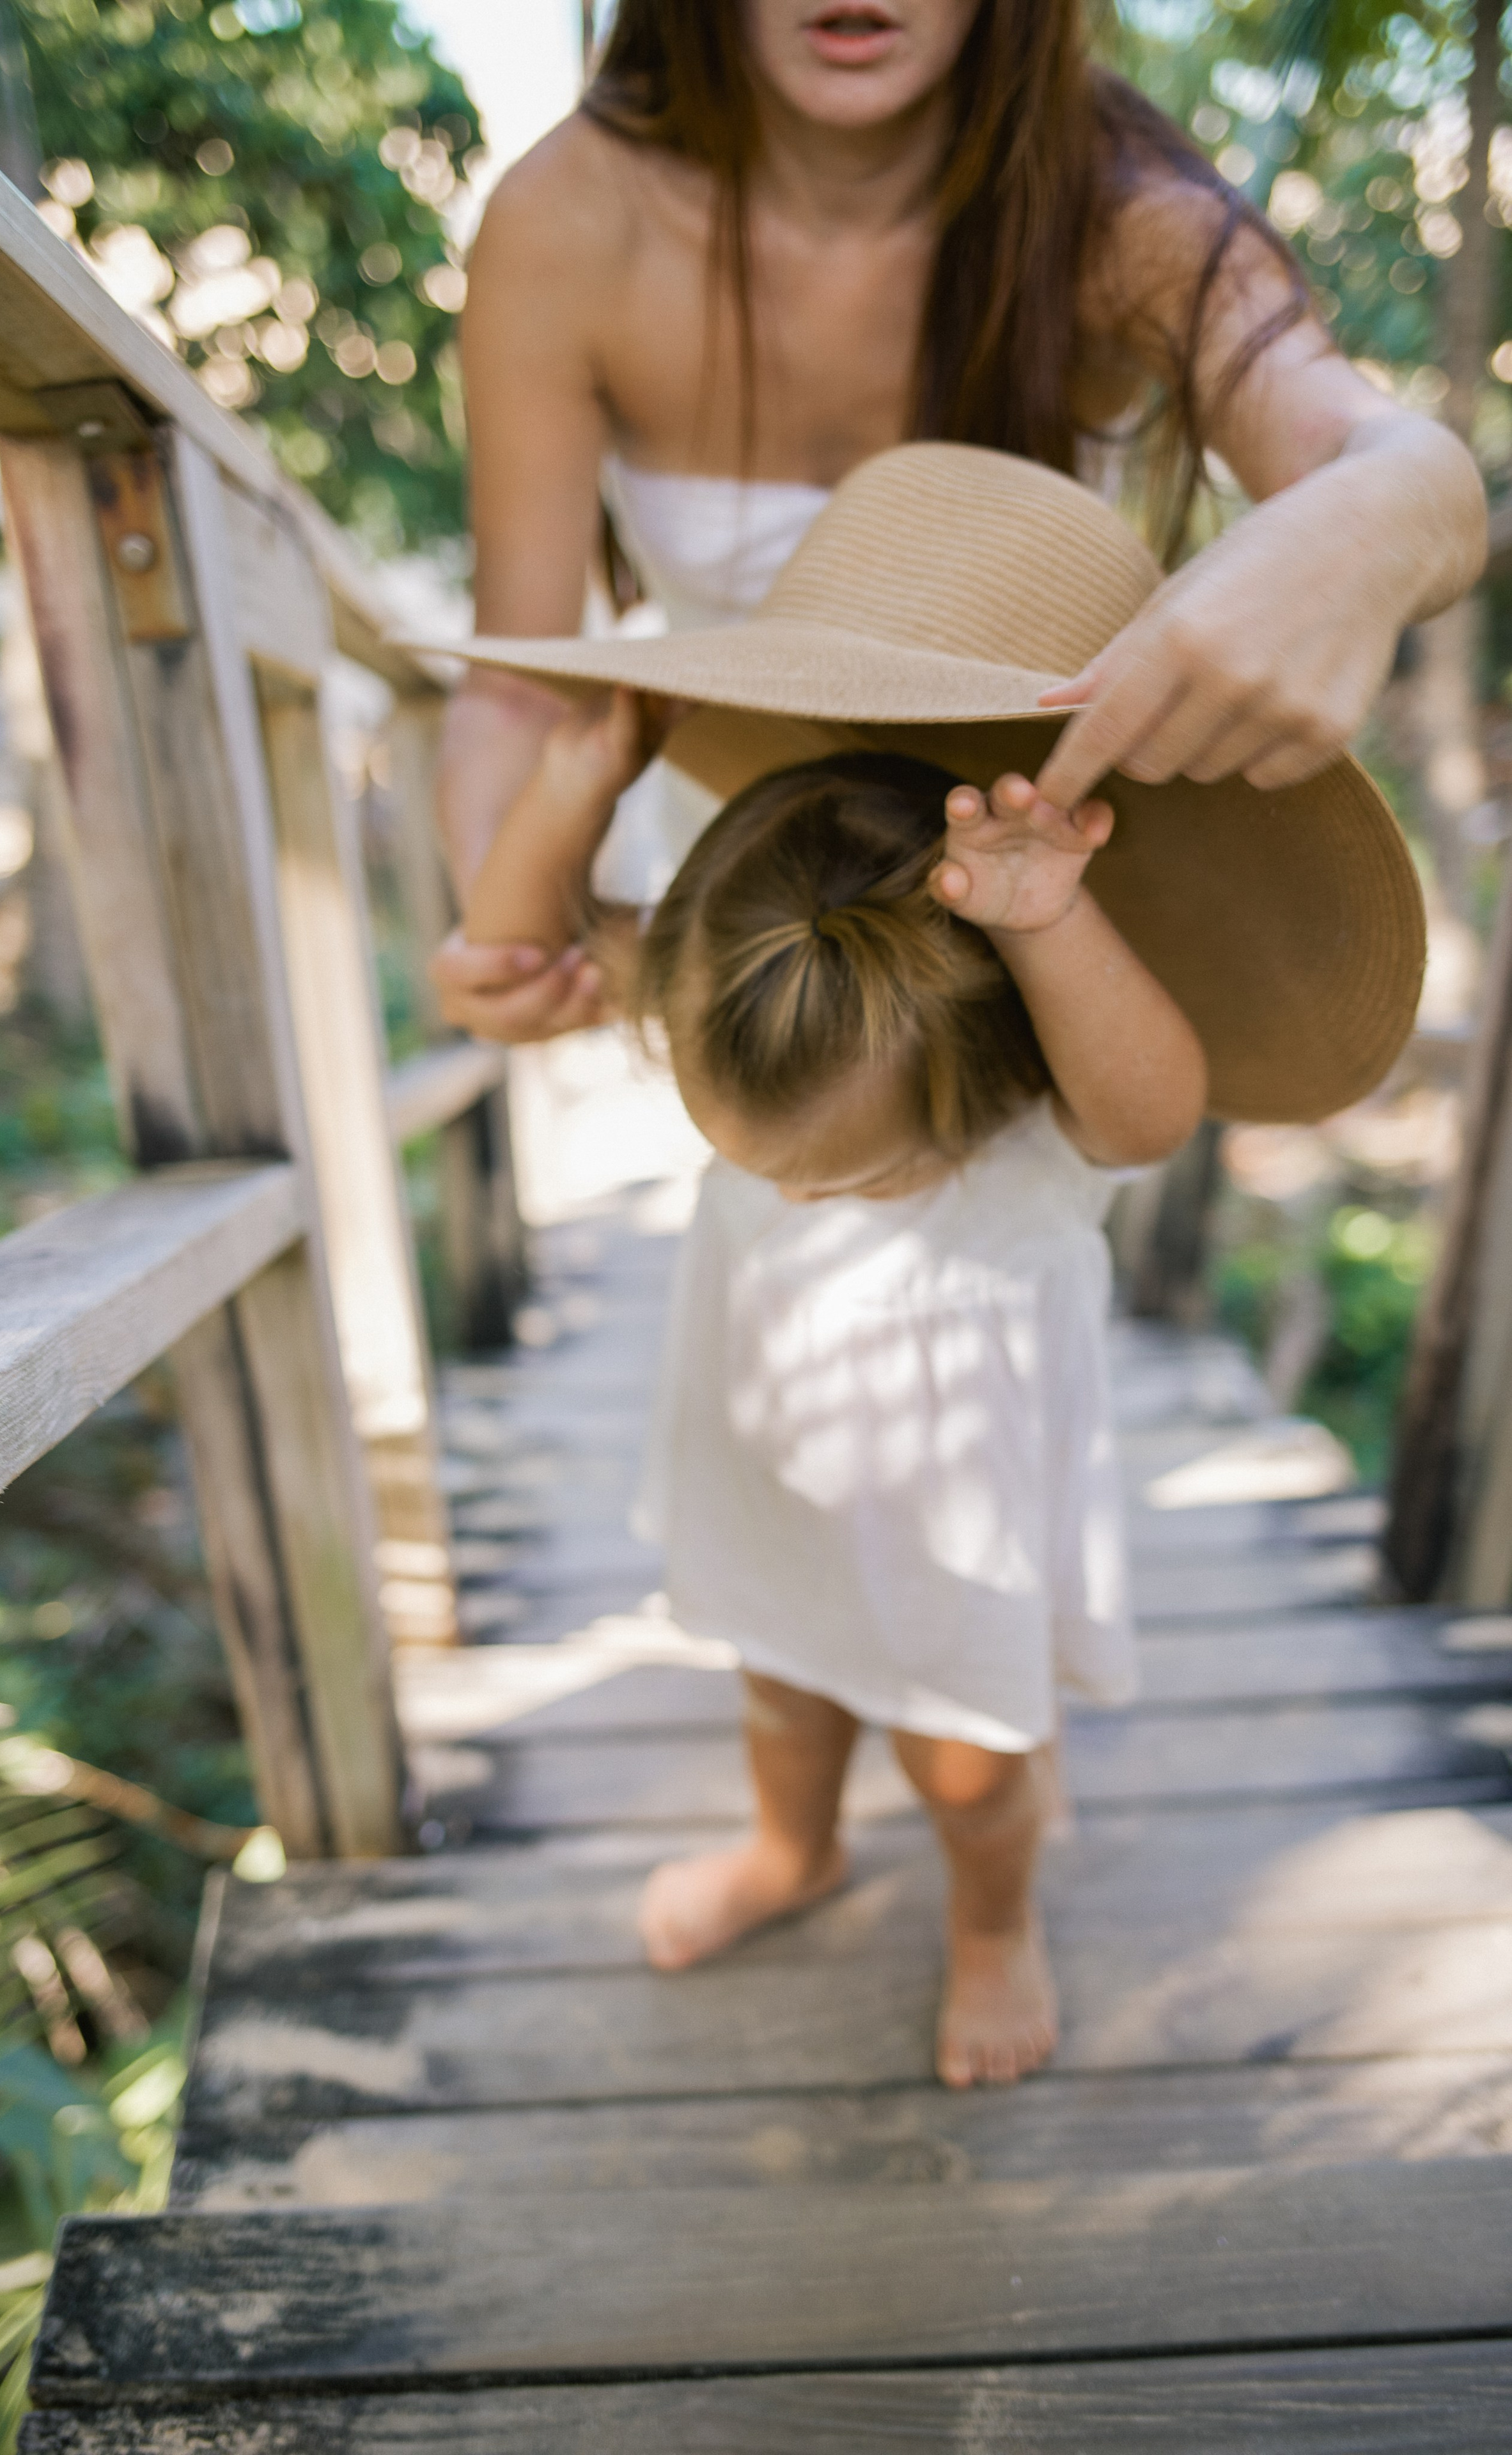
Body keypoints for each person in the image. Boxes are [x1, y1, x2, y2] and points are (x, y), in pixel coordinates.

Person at [448, 432, 1426, 2088]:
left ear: (985, 1089)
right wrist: (572, 788)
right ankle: (795, 1847)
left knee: (972, 1762)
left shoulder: (1029, 1076)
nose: (802, 1198)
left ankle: (992, 1926)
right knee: (781, 1684)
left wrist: (1049, 921)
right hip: (768, 1462)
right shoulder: (757, 967)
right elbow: (510, 954)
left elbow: (1154, 1111)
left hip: (954, 1515)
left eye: (841, 1177)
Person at [433, 0, 1483, 1044]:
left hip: (1046, 927)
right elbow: (515, 691)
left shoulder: (1130, 214)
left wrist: (1372, 523)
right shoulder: (565, 218)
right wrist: (504, 929)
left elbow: (1386, 457)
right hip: (737, 926)